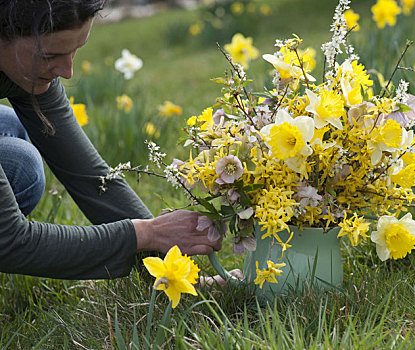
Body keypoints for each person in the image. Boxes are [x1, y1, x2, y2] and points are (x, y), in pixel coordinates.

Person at [0, 0, 238, 282]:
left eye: (75, 50)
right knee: (22, 168)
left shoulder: (26, 68)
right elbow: (10, 241)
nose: (67, 71)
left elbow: (91, 177)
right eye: (49, 55)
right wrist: (147, 233)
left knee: (14, 134)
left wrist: (174, 274)